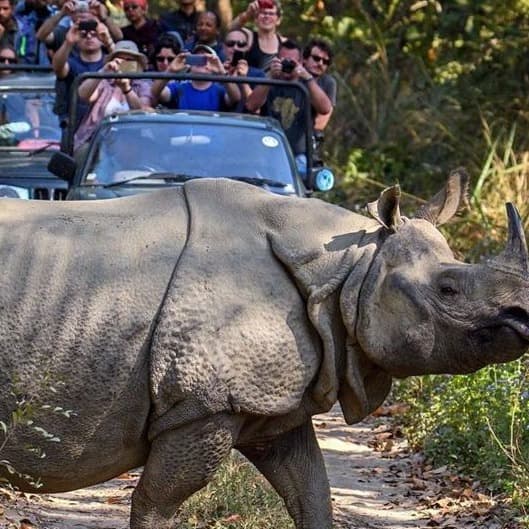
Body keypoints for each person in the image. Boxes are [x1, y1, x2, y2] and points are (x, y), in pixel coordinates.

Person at [245, 39, 332, 175]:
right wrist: (270, 77)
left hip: (298, 154)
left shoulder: (308, 85)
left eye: (292, 62)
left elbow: (325, 108)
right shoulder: (268, 81)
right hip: (267, 151)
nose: (287, 65)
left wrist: (306, 77)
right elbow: (251, 105)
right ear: (276, 60)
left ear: (301, 62)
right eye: (283, 60)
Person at [74, 40, 152, 150]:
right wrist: (103, 71)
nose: (124, 64)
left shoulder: (143, 85)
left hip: (132, 142)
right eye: (120, 60)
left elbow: (142, 111)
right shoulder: (104, 82)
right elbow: (83, 95)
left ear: (137, 65)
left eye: (129, 61)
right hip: (97, 140)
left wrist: (127, 90)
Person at [52, 18, 112, 144]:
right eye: (83, 35)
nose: (89, 36)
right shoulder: (72, 63)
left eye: (94, 34)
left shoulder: (110, 62)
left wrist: (108, 41)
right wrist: (68, 42)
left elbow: (127, 70)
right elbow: (57, 68)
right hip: (76, 131)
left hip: (107, 129)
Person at [151, 43, 240, 111]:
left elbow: (235, 98)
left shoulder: (219, 90)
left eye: (205, 59)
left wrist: (222, 72)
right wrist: (170, 70)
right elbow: (155, 92)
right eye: (196, 57)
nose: (200, 60)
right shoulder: (178, 88)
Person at [229, 0, 284, 70]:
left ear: (278, 20)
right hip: (248, 79)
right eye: (263, 13)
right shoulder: (248, 37)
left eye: (271, 14)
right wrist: (247, 14)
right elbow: (232, 30)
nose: (266, 16)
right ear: (256, 19)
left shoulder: (283, 42)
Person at [221, 28, 264, 112]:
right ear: (223, 47)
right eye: (230, 43)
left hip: (247, 123)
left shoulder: (258, 75)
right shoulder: (214, 72)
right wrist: (223, 72)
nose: (235, 48)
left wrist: (243, 80)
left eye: (241, 44)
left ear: (247, 48)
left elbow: (255, 109)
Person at [302, 38, 336, 133]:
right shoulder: (292, 76)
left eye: (325, 62)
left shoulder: (328, 83)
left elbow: (324, 117)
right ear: (304, 59)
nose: (320, 63)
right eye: (316, 58)